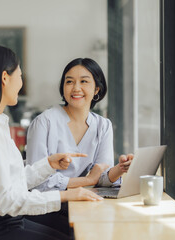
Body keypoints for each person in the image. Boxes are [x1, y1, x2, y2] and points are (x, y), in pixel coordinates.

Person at [0, 46, 102, 240]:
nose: (21, 83)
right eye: (20, 76)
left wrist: (49, 165)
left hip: (2, 223)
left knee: (71, 234)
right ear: (5, 78)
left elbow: (11, 182)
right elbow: (5, 200)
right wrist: (64, 195)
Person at [25, 58, 134, 233]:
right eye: (69, 82)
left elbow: (102, 178)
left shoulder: (103, 126)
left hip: (82, 204)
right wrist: (87, 180)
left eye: (84, 81)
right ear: (63, 87)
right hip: (48, 208)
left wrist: (120, 168)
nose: (76, 88)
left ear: (96, 88)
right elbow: (38, 183)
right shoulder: (44, 122)